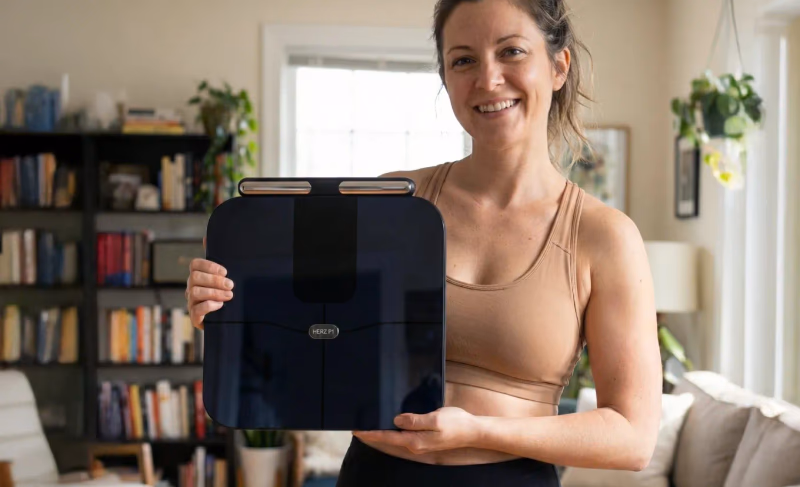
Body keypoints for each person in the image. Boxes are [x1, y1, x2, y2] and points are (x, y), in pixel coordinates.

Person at [186, 0, 662, 484]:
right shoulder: (392, 202)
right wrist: (229, 315)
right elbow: (314, 342)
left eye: (511, 51)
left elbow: (633, 437)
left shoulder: (605, 237)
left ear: (558, 66)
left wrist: (478, 430)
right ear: (446, 77)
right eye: (463, 60)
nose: (488, 78)